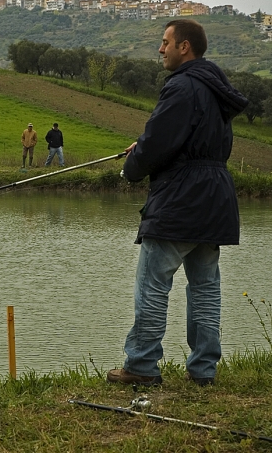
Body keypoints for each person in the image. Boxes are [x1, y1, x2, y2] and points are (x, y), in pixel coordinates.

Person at [107, 20, 248, 387]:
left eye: (165, 42)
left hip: (181, 198)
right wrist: (148, 148)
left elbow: (158, 143)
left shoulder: (182, 86)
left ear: (184, 47)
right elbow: (192, 141)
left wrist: (132, 166)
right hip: (215, 196)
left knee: (153, 283)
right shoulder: (215, 89)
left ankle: (140, 365)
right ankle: (203, 371)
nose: (160, 49)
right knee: (205, 287)